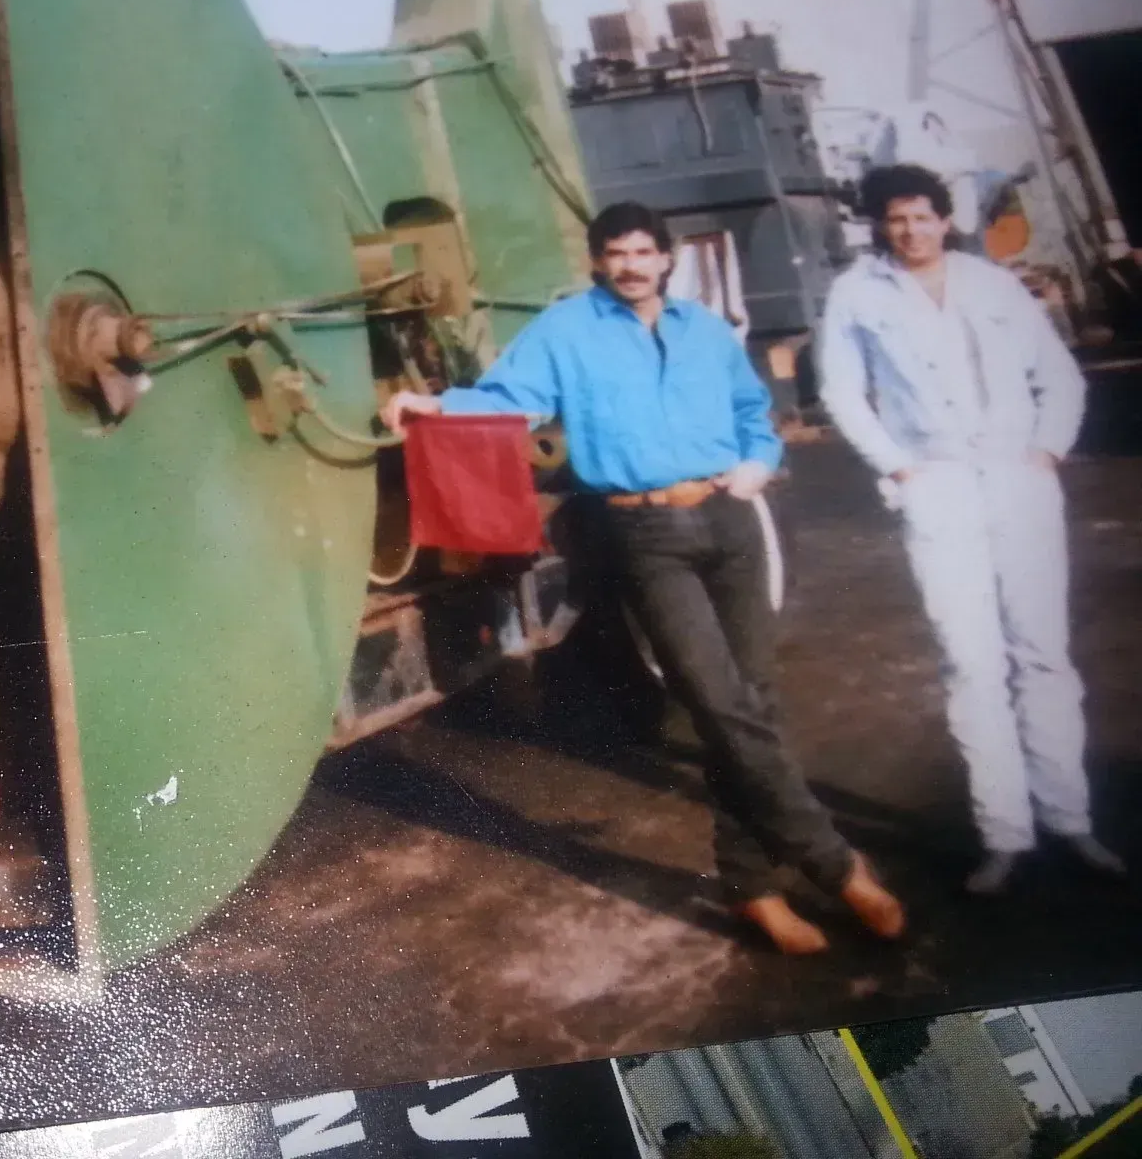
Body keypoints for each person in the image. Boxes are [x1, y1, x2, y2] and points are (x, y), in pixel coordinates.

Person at [382, 202, 906, 955]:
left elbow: (753, 414)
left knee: (752, 700)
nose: (630, 265)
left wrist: (756, 464)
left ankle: (751, 886)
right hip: (645, 532)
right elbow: (506, 399)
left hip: (728, 521)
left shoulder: (705, 332)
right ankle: (835, 862)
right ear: (599, 263)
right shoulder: (568, 330)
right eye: (615, 254)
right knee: (718, 702)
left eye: (642, 252)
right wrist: (430, 405)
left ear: (666, 259)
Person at [817, 163, 1123, 896]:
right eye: (896, 219)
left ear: (945, 219)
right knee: (971, 662)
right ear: (879, 225)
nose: (911, 230)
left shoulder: (991, 285)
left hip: (1018, 480)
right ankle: (1004, 837)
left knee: (1042, 655)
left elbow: (1062, 376)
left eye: (923, 216)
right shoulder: (858, 293)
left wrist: (1047, 450)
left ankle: (1070, 821)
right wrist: (898, 469)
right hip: (938, 482)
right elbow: (841, 391)